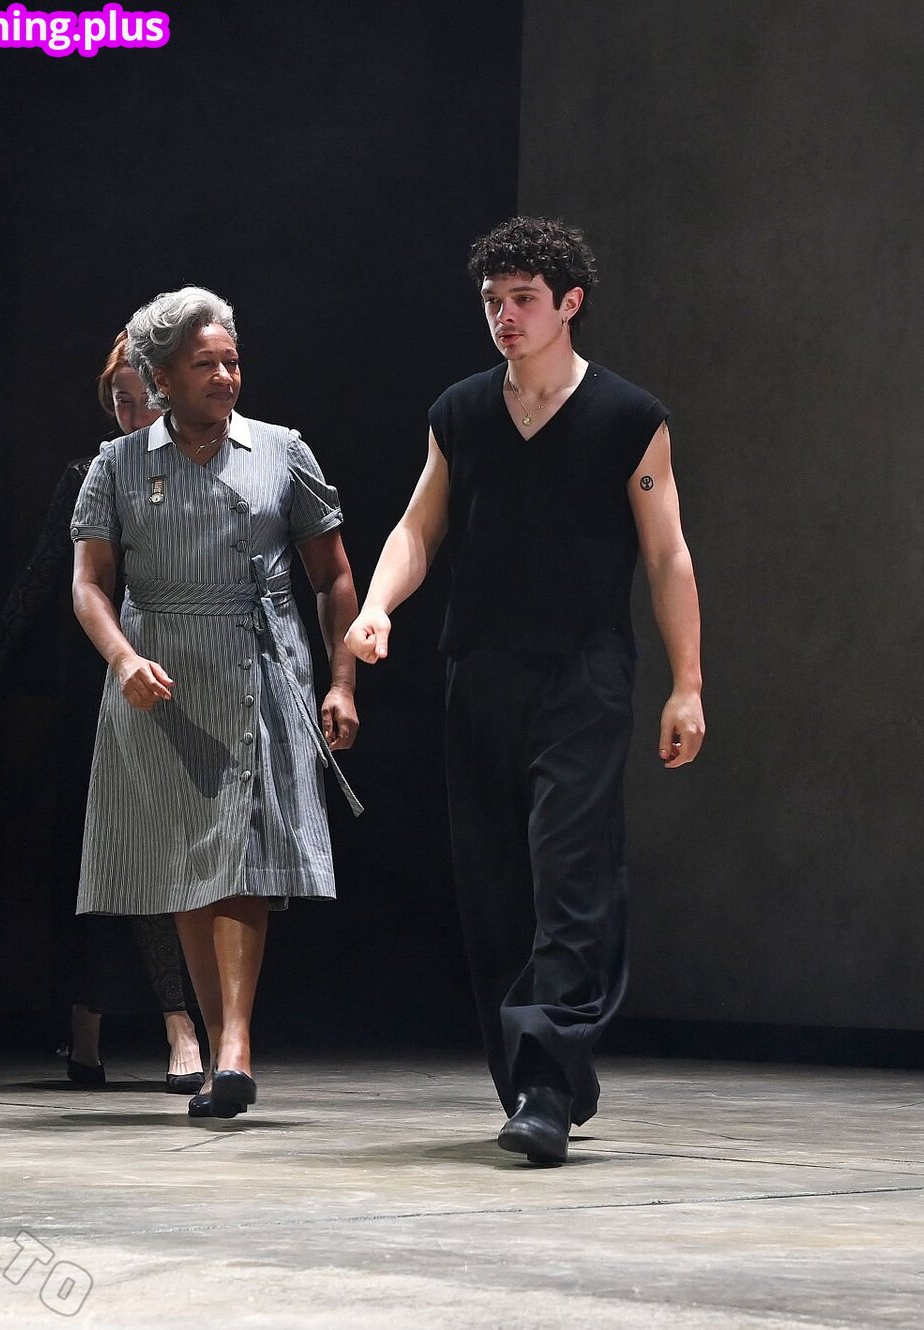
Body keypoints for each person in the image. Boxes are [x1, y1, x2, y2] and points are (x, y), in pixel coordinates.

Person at [346, 217, 704, 1163]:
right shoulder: (461, 411)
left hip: (583, 673)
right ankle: (538, 1078)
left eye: (524, 301)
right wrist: (377, 606)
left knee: (570, 871)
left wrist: (688, 685)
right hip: (479, 671)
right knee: (495, 886)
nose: (505, 317)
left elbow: (667, 555)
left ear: (568, 304)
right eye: (492, 302)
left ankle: (548, 1081)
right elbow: (419, 527)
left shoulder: (628, 417)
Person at [70, 287, 362, 1119]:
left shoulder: (282, 452)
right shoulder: (117, 465)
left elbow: (334, 575)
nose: (226, 377)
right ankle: (216, 1038)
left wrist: (342, 681)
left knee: (240, 857)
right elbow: (89, 585)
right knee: (186, 866)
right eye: (206, 365)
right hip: (158, 679)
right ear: (162, 377)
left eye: (232, 361)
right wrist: (123, 658)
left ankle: (233, 1047)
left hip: (255, 669)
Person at [0, 333, 203, 1093]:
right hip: (97, 687)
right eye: (119, 402)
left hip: (178, 678)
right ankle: (87, 1029)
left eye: (142, 400)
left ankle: (180, 1023)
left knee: (162, 858)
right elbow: (42, 579)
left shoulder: (198, 469)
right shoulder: (91, 473)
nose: (130, 414)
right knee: (95, 857)